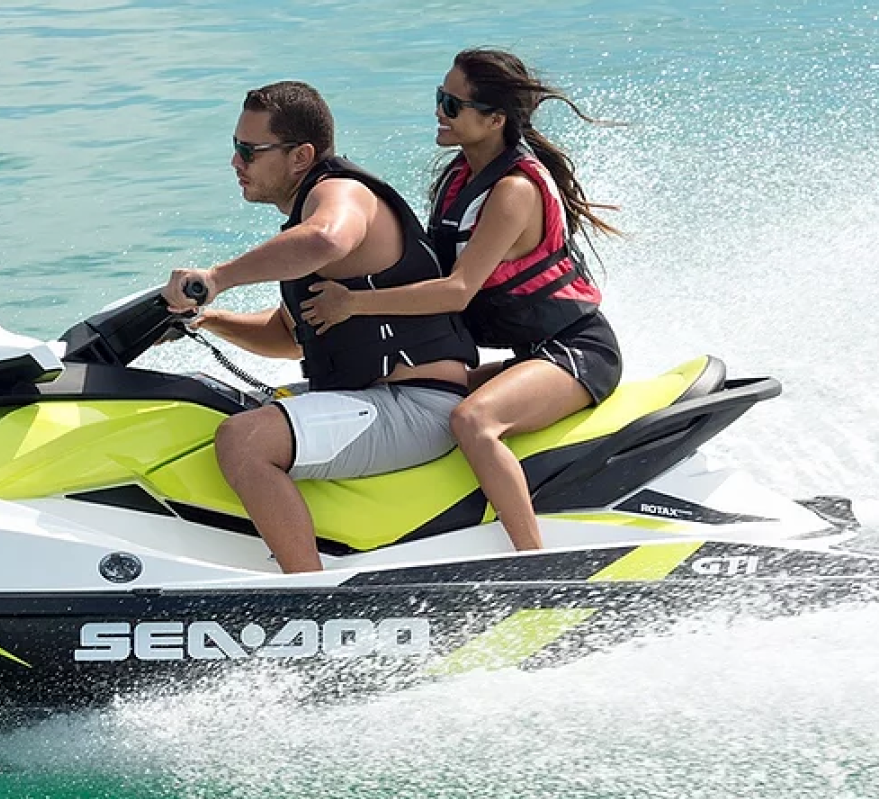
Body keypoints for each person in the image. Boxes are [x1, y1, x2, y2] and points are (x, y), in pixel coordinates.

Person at [300, 49, 623, 552]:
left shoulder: (513, 190)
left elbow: (457, 290)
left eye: (452, 104)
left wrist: (354, 304)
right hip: (529, 355)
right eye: (439, 97)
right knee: (426, 391)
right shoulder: (458, 178)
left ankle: (532, 560)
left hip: (575, 352)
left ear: (494, 119)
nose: (439, 111)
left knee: (472, 420)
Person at [162, 80, 478, 574]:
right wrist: (209, 319)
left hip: (416, 403)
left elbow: (327, 240)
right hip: (374, 401)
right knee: (199, 410)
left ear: (300, 155)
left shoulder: (339, 193)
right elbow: (289, 336)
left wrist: (218, 278)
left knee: (244, 441)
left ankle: (307, 592)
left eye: (249, 150)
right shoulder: (300, 225)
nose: (236, 162)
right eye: (234, 147)